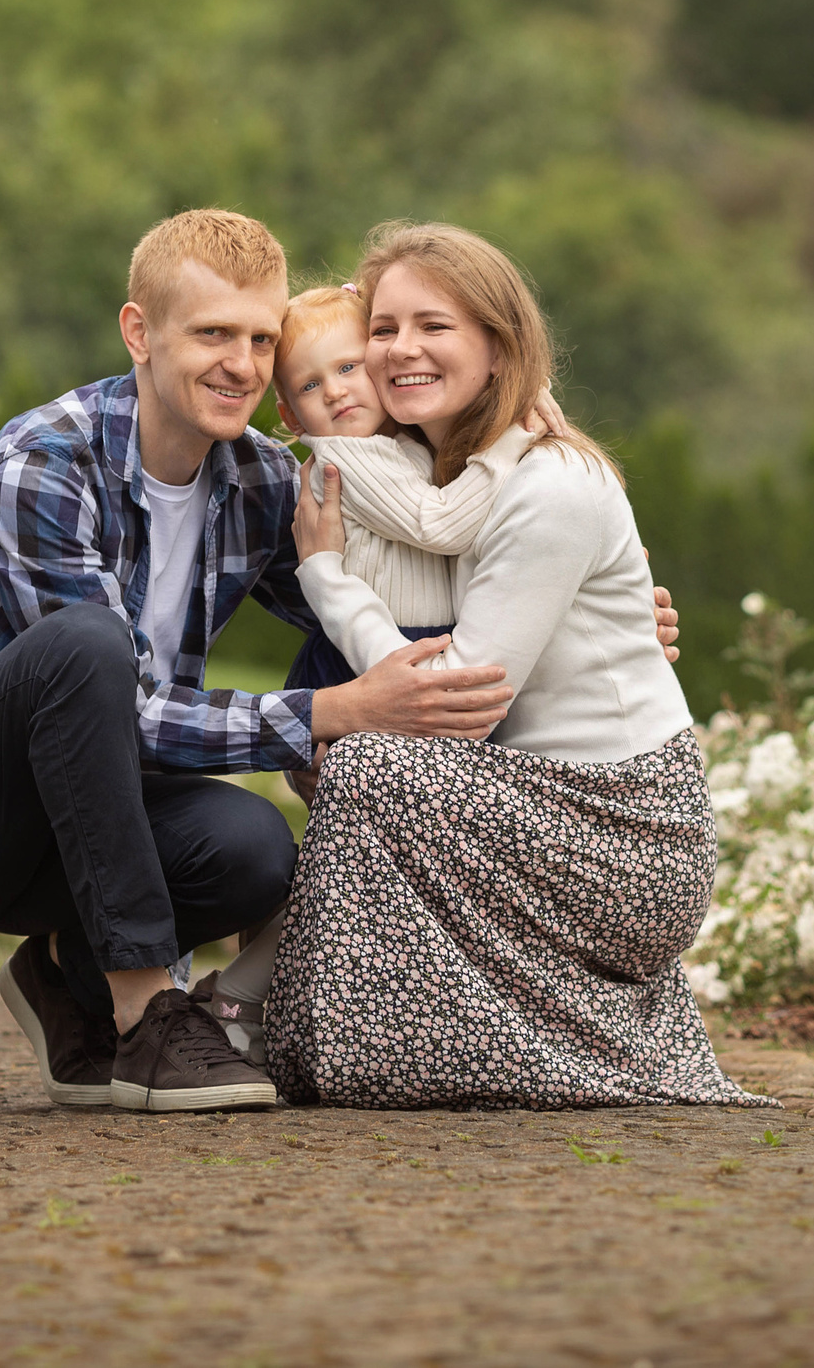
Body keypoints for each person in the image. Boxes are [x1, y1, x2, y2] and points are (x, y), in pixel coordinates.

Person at [0, 209, 524, 1114]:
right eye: (212, 334)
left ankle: (69, 977)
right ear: (140, 332)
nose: (242, 364)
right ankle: (147, 1015)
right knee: (87, 645)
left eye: (261, 339)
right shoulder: (44, 463)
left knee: (253, 851)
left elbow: (384, 607)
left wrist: (573, 611)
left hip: (79, 818)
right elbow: (117, 706)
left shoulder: (259, 479)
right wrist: (329, 714)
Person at [265, 221, 779, 1111]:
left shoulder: (549, 482)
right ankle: (338, 1025)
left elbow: (455, 705)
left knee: (368, 768)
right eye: (383, 328)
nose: (400, 349)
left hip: (628, 832)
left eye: (434, 325)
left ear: (499, 347)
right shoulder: (443, 475)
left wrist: (326, 579)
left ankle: (309, 1025)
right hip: (537, 796)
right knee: (356, 764)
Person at [187, 281, 538, 1062]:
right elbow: (441, 523)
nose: (338, 392)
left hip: (401, 649)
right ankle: (241, 995)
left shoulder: (405, 449)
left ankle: (271, 998)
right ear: (290, 416)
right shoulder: (350, 457)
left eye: (349, 367)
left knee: (364, 858)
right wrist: (516, 439)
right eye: (312, 385)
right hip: (372, 666)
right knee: (365, 860)